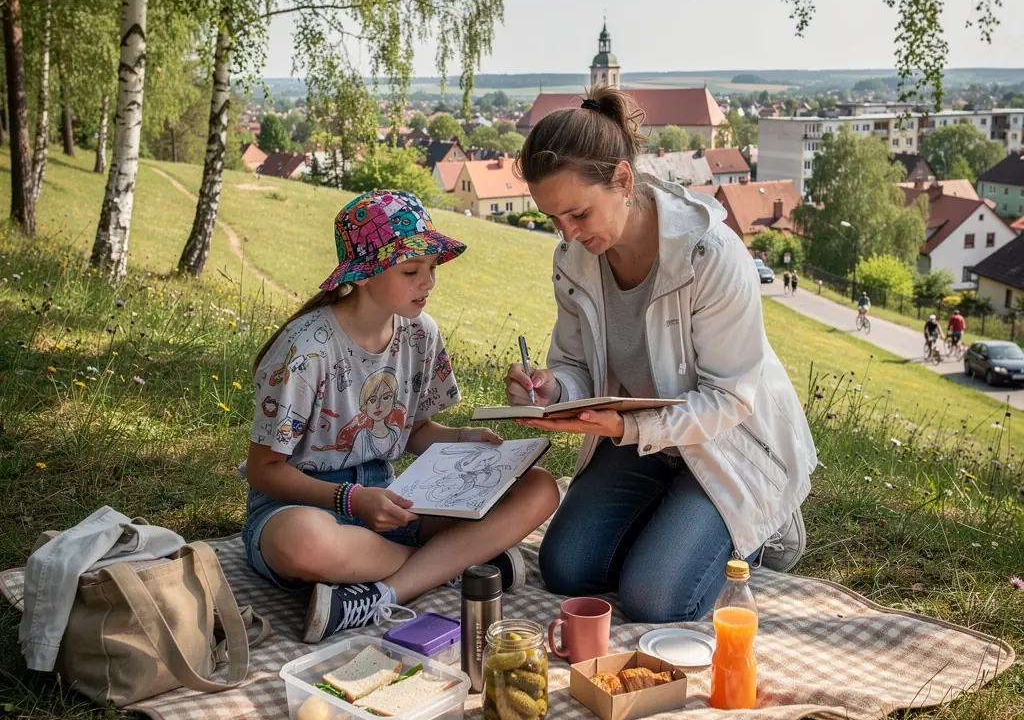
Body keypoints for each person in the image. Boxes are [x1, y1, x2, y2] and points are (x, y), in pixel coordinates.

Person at [503, 86, 817, 624]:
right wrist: (553, 389)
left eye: (578, 214)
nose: (569, 235)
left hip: (727, 445)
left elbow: (728, 399)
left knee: (655, 600)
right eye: (555, 220)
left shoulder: (711, 254)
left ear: (623, 180)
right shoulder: (574, 260)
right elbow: (575, 365)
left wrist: (626, 430)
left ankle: (762, 528)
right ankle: (676, 526)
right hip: (644, 442)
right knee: (565, 568)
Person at [244, 191, 560, 643]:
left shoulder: (420, 334)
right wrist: (351, 501)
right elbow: (263, 470)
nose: (428, 282)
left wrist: (461, 439)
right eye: (412, 271)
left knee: (540, 487)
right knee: (303, 542)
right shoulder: (306, 349)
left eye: (432, 268)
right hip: (302, 508)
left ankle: (381, 594)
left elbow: (411, 429)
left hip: (395, 504)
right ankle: (461, 565)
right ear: (364, 275)